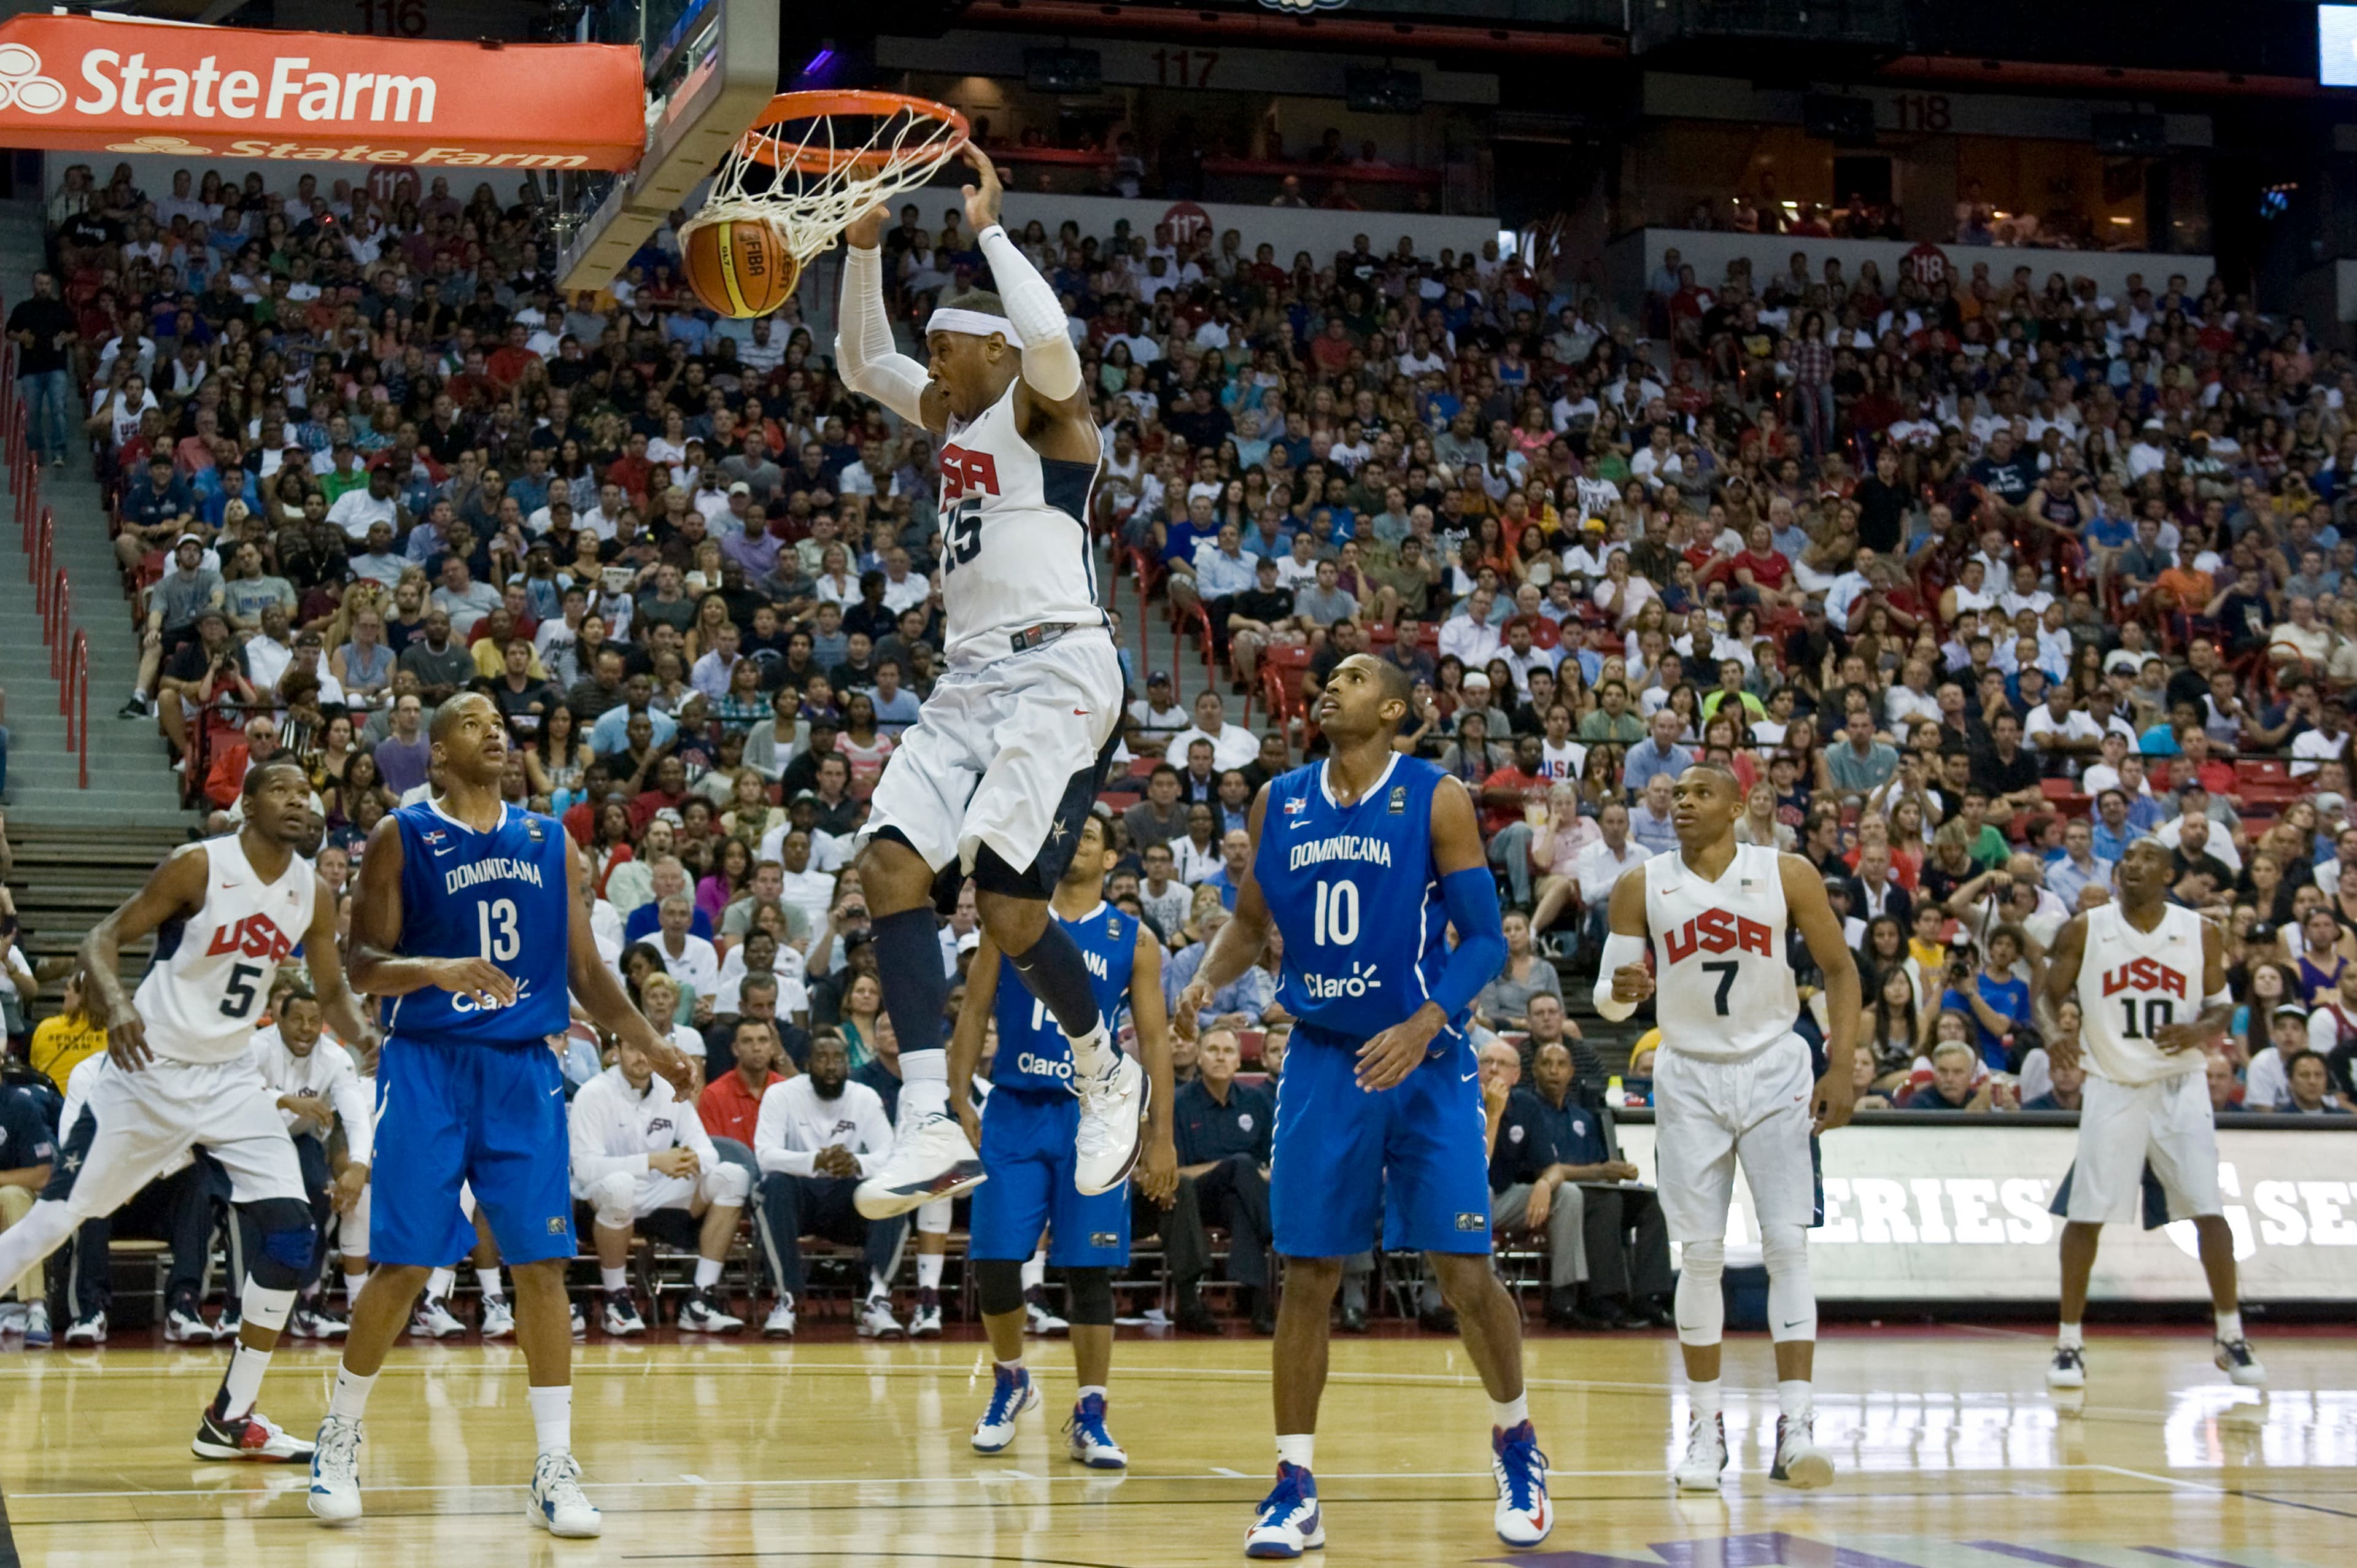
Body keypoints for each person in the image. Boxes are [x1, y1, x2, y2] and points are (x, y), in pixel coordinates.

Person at [1171, 653, 1548, 1554]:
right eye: (1327, 674)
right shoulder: (1279, 801)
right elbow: (1254, 919)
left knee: (1462, 1271)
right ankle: (1294, 1483)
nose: (1332, 683)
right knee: (1309, 1271)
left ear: (1395, 708)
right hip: (1325, 1060)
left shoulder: (1437, 795)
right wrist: (1204, 981)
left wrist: (1425, 1023)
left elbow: (1486, 939)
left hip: (1423, 1060)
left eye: (1355, 674)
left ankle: (1518, 1439)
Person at [834, 150, 1146, 1224]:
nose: (930, 356)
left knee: (1009, 901)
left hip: (1059, 661)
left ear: (994, 349)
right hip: (971, 678)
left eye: (948, 343)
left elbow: (1053, 343)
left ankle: (1105, 1067)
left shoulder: (1044, 417)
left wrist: (992, 234)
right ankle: (927, 1118)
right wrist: (863, 251)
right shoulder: (956, 423)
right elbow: (860, 360)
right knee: (888, 869)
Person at [308, 693, 698, 1536]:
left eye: (500, 721)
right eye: (473, 720)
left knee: (543, 1264)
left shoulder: (547, 838)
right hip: (427, 1066)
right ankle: (338, 1433)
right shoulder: (400, 834)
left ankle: (553, 1463)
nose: (495, 730)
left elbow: (587, 969)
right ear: (437, 753)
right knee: (404, 1265)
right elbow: (363, 966)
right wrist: (435, 967)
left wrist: (649, 1037)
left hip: (524, 1069)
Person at [0, 762, 373, 1462]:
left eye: (307, 792)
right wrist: (114, 1005)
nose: (300, 800)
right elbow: (99, 941)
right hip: (146, 1074)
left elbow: (333, 990)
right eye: (282, 790)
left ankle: (230, 1417)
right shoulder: (198, 865)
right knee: (52, 1221)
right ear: (248, 803)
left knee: (292, 1235)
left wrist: (370, 1036)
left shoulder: (314, 895)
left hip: (230, 1078)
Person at [1595, 763, 1860, 1493]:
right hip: (1688, 1071)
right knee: (1701, 1254)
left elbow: (1840, 968)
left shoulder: (1788, 872)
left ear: (1739, 806)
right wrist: (1623, 989)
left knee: (1787, 1245)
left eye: (1700, 792)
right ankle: (1705, 1425)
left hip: (1776, 1065)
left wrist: (1842, 1066)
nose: (1682, 802)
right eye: (1675, 794)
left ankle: (1797, 1422)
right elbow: (1611, 1003)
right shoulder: (1641, 884)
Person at [946, 808, 1177, 1467]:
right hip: (1016, 1109)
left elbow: (1156, 1040)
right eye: (1069, 830)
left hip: (1093, 1113)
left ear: (1111, 860)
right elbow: (974, 1007)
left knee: (1088, 1269)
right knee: (994, 1259)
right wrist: (957, 1094)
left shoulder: (1133, 938)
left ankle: (1090, 1412)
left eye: (1092, 835)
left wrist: (1160, 1136)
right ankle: (1011, 1376)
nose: (1076, 839)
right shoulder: (1013, 918)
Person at [2037, 838, 2264, 1392]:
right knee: (2085, 1214)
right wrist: (2053, 1034)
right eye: (2125, 861)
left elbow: (2222, 1002)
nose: (2131, 867)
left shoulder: (2198, 931)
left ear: (2168, 873)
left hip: (2178, 1084)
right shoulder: (2087, 928)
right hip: (2113, 1084)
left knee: (2209, 1209)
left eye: (2144, 860)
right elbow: (2046, 994)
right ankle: (2069, 1342)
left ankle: (2230, 1335)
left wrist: (2202, 1030)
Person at [568, 1033, 751, 1337]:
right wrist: (652, 1161)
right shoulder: (593, 1093)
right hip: (602, 1198)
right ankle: (616, 1300)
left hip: (663, 1191)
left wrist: (692, 1160)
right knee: (620, 1186)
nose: (641, 1057)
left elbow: (708, 1152)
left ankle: (700, 1299)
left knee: (733, 1176)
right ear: (616, 1053)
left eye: (647, 1051)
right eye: (632, 1048)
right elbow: (585, 1168)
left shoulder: (670, 1091)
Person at [750, 1032, 904, 1338]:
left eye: (838, 1059)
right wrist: (815, 1161)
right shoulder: (782, 1094)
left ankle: (877, 1299)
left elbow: (890, 1155)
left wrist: (857, 1164)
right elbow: (765, 1156)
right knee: (773, 1186)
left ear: (849, 1063)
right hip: (800, 1199)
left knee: (893, 1188)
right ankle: (786, 1299)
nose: (831, 1066)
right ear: (808, 1065)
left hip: (846, 1200)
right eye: (822, 1059)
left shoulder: (864, 1097)